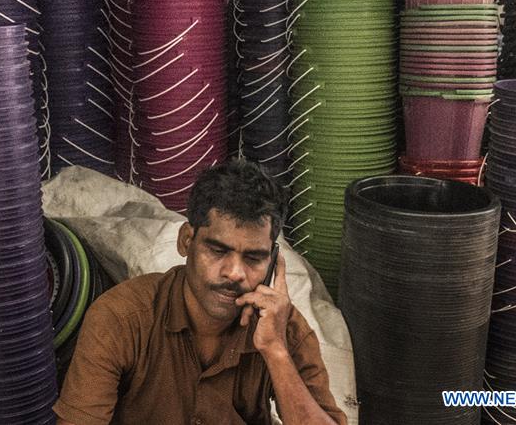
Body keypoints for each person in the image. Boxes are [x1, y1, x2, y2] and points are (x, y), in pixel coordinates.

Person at [54, 159, 348, 425]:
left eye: (253, 258)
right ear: (186, 241)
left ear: (272, 262)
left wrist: (276, 351)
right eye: (218, 250)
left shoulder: (284, 329)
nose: (234, 272)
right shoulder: (120, 319)